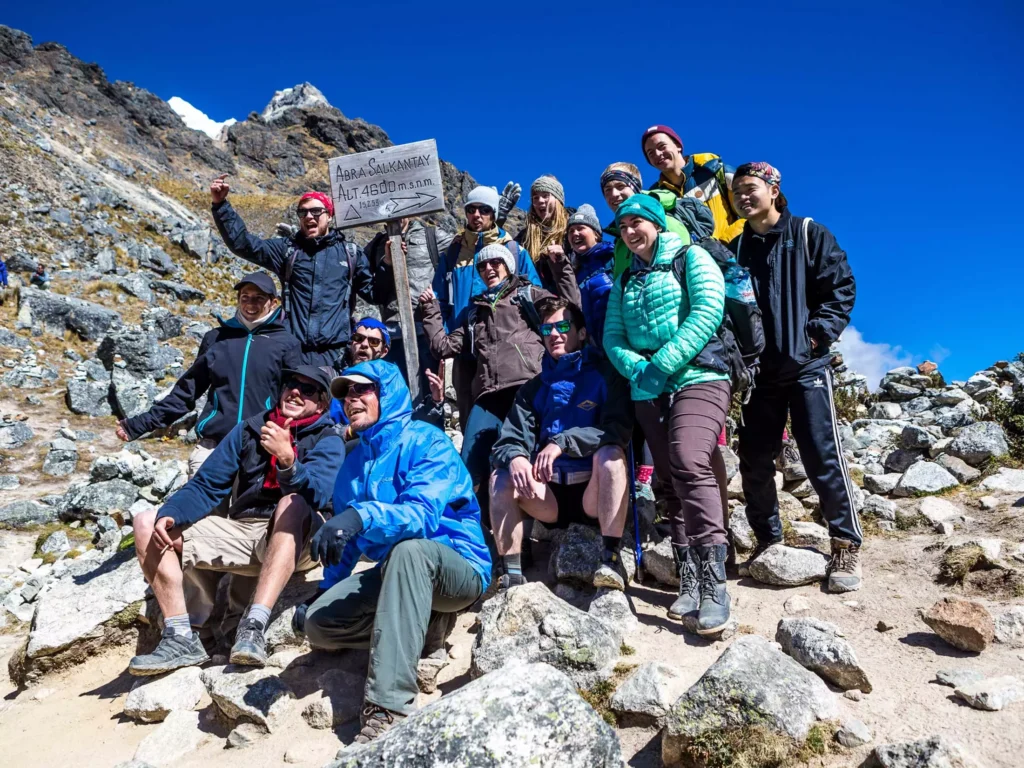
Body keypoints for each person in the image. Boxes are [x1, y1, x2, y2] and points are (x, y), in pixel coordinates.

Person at [302, 360, 491, 744]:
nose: (351, 399)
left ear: (386, 394)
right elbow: (347, 541)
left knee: (409, 551)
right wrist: (326, 587)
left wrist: (361, 515)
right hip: (398, 574)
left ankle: (389, 708)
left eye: (362, 389)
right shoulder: (352, 464)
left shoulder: (427, 441)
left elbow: (421, 517)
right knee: (319, 623)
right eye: (346, 394)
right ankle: (421, 627)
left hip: (457, 565)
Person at [127, 366, 343, 674]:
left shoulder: (328, 438)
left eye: (308, 390)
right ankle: (180, 636)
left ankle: (253, 627)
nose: (296, 392)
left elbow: (318, 495)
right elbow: (206, 484)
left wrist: (288, 462)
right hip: (244, 531)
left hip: (299, 538)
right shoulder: (249, 429)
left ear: (321, 404)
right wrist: (172, 513)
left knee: (293, 503)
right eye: (291, 384)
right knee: (147, 522)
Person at [603, 194, 733, 634]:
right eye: (623, 227)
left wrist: (662, 363)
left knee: (689, 461)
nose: (629, 232)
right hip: (647, 387)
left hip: (699, 376)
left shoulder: (690, 257)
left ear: (657, 223)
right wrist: (638, 368)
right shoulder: (624, 279)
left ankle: (715, 584)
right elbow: (613, 335)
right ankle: (689, 579)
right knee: (667, 481)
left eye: (636, 222)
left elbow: (708, 311)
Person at [730, 162, 861, 593]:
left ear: (773, 189)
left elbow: (841, 287)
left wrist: (816, 336)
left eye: (750, 187)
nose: (742, 196)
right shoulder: (736, 248)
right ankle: (768, 541)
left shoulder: (808, 232)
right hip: (759, 374)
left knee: (822, 456)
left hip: (807, 368)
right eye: (736, 191)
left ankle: (845, 543)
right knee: (754, 461)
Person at [419, 242, 580, 526]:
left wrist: (560, 267)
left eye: (495, 263)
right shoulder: (474, 312)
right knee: (471, 461)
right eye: (482, 266)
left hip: (526, 388)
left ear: (508, 266)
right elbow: (442, 347)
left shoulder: (527, 295)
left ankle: (534, 526)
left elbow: (569, 311)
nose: (488, 269)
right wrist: (431, 310)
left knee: (524, 456)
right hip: (487, 396)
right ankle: (474, 528)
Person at [490, 297, 631, 591]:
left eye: (563, 327)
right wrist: (516, 456)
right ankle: (511, 574)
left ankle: (611, 560)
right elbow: (509, 439)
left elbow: (616, 430)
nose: (554, 334)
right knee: (500, 477)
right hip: (549, 497)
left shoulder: (606, 376)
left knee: (611, 455)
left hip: (593, 494)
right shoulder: (534, 388)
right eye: (547, 329)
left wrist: (563, 442)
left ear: (582, 333)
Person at [116, 273, 300, 477]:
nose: (250, 304)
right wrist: (139, 425)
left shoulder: (287, 344)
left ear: (273, 303)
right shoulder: (216, 339)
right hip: (213, 447)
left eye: (259, 298)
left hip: (261, 449)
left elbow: (296, 400)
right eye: (245, 297)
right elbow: (186, 392)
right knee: (196, 498)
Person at [209, 175, 374, 370]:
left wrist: (388, 262)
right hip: (292, 352)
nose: (309, 216)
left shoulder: (350, 254)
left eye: (316, 211)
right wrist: (221, 205)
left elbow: (373, 293)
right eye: (303, 212)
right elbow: (244, 245)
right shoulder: (287, 250)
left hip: (335, 355)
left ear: (329, 216)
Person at [431, 186, 542, 428]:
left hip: (507, 350)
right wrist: (448, 338)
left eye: (484, 209)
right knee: (470, 418)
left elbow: (533, 294)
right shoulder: (453, 252)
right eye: (471, 209)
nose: (476, 215)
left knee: (515, 417)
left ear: (494, 213)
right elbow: (440, 300)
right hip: (464, 348)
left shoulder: (513, 250)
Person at [366, 216, 454, 393]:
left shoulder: (431, 236)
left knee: (430, 392)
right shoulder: (376, 245)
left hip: (425, 329)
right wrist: (387, 263)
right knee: (394, 394)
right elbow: (373, 292)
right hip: (391, 334)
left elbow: (468, 250)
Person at [328, 317, 444, 430]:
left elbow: (405, 424)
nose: (364, 344)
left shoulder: (391, 380)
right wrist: (347, 432)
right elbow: (323, 425)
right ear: (351, 342)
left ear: (384, 351)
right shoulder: (332, 375)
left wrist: (434, 402)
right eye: (358, 338)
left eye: (374, 342)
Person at [641, 125, 745, 243]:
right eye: (651, 153)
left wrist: (723, 243)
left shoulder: (715, 170)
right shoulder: (657, 196)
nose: (657, 154)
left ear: (678, 146)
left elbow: (750, 211)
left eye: (662, 146)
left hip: (730, 251)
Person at [563, 205, 614, 349]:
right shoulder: (575, 271)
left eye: (581, 228)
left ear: (596, 234)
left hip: (620, 340)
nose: (575, 233)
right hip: (594, 348)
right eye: (571, 231)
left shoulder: (612, 257)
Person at [515, 175, 576, 292]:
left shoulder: (574, 228)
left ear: (558, 199)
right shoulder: (525, 238)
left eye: (545, 196)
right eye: (535, 198)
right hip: (536, 297)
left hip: (571, 295)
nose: (540, 201)